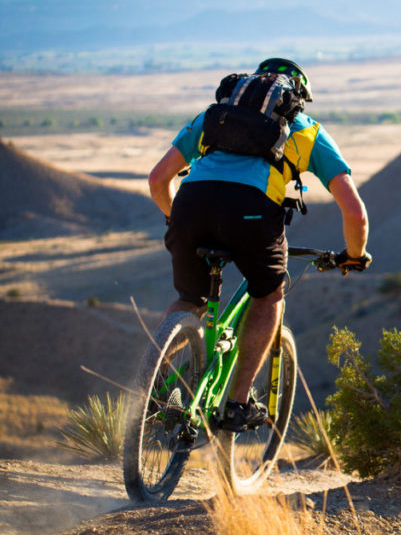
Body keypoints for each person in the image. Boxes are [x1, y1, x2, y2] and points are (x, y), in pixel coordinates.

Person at [146, 58, 370, 432]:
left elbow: (157, 179)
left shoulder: (214, 116)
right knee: (268, 296)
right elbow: (355, 213)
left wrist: (179, 220)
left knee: (191, 300)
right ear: (296, 97)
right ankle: (237, 404)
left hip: (190, 205)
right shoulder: (307, 130)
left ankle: (151, 381)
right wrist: (354, 255)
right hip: (250, 213)